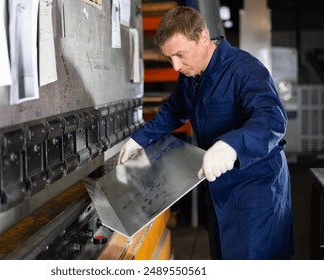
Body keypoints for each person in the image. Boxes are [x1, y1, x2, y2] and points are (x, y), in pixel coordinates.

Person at [118, 6, 294, 260]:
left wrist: (230, 146)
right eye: (170, 58)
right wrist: (139, 139)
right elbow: (174, 110)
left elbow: (272, 119)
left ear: (202, 37)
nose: (176, 66)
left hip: (256, 189)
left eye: (180, 55)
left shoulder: (244, 69)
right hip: (219, 188)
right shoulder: (191, 75)